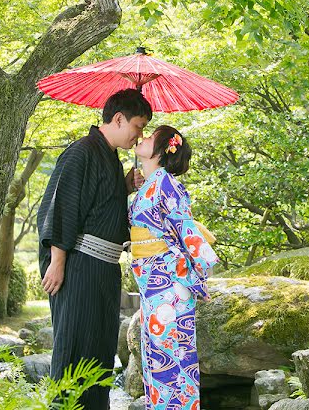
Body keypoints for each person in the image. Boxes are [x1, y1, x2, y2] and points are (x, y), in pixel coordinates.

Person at [37, 88, 151, 410]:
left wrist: (123, 187)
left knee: (100, 350)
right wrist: (57, 261)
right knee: (75, 348)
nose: (139, 135)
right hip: (78, 266)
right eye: (138, 127)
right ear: (118, 118)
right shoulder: (81, 152)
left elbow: (102, 208)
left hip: (104, 268)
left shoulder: (109, 159)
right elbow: (63, 207)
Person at [129, 125, 219, 410]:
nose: (142, 137)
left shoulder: (166, 183)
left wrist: (202, 268)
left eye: (149, 136)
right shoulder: (150, 184)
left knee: (172, 353)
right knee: (157, 352)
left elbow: (184, 226)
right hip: (152, 278)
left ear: (161, 149)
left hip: (168, 280)